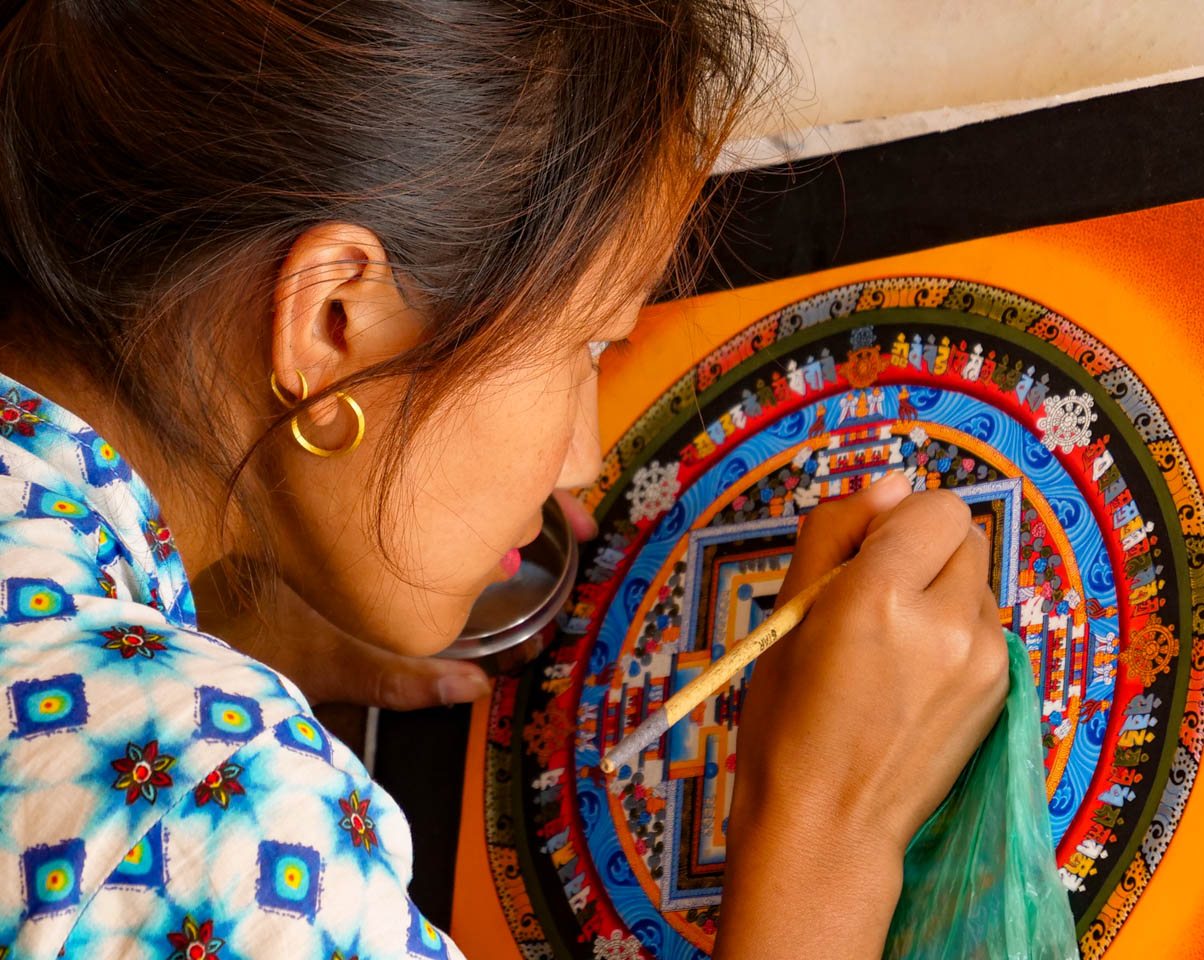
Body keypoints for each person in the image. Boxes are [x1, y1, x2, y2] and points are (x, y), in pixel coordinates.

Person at [0, 1, 1008, 958]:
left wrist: (222, 586)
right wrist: (829, 829)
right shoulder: (199, 807)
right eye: (588, 348)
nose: (585, 457)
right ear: (332, 318)